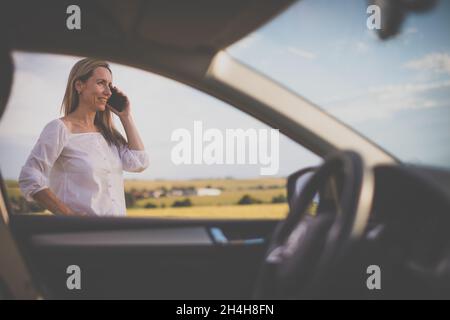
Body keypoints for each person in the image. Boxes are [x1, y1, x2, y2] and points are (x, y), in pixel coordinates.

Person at [18, 58, 149, 217]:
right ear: (79, 85)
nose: (108, 92)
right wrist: (69, 216)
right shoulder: (60, 129)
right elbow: (30, 176)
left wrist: (126, 117)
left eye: (109, 85)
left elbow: (139, 163)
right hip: (81, 235)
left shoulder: (108, 134)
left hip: (116, 234)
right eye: (101, 83)